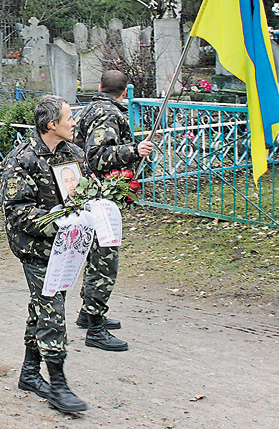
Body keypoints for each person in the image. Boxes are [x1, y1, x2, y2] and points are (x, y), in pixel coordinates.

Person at [0, 94, 90, 414]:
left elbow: (85, 191)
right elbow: (19, 212)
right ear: (52, 125)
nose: (74, 121)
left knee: (42, 307)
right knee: (52, 309)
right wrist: (61, 225)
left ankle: (28, 374)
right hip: (36, 249)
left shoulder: (73, 152)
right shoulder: (21, 159)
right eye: (69, 118)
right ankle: (59, 385)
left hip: (67, 248)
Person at [73, 69, 153, 351]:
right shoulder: (108, 114)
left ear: (99, 86)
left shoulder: (88, 109)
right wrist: (134, 150)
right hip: (99, 197)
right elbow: (98, 156)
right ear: (123, 91)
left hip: (88, 193)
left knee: (96, 255)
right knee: (105, 258)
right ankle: (95, 327)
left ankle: (88, 312)